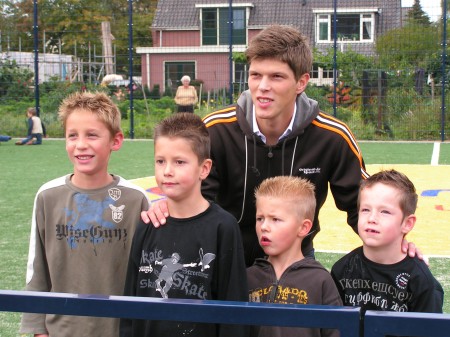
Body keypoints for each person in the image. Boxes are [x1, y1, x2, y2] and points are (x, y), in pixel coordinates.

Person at [143, 25, 421, 267]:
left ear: (301, 82)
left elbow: (360, 204)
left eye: (276, 77)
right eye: (255, 75)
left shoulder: (332, 137)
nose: (263, 86)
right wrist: (168, 206)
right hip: (223, 255)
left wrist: (397, 244)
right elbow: (196, 197)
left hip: (295, 259)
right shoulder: (215, 130)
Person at [19, 91, 150, 337]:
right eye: (72, 136)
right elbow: (37, 270)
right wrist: (38, 328)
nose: (80, 144)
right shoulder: (48, 196)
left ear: (116, 140)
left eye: (92, 135)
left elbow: (147, 273)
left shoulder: (135, 199)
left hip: (120, 330)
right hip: (61, 331)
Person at [120, 113, 248, 337]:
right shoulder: (148, 223)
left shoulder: (223, 227)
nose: (167, 171)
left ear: (204, 169)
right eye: (160, 161)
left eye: (179, 162)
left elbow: (234, 308)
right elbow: (130, 300)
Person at [331, 169, 443, 314]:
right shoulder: (342, 269)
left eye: (385, 212)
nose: (371, 218)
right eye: (365, 210)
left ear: (407, 223)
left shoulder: (420, 280)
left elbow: (430, 330)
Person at [247, 176, 342, 337]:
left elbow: (335, 331)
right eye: (260, 218)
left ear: (303, 227)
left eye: (275, 219)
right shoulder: (248, 277)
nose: (264, 227)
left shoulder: (320, 280)